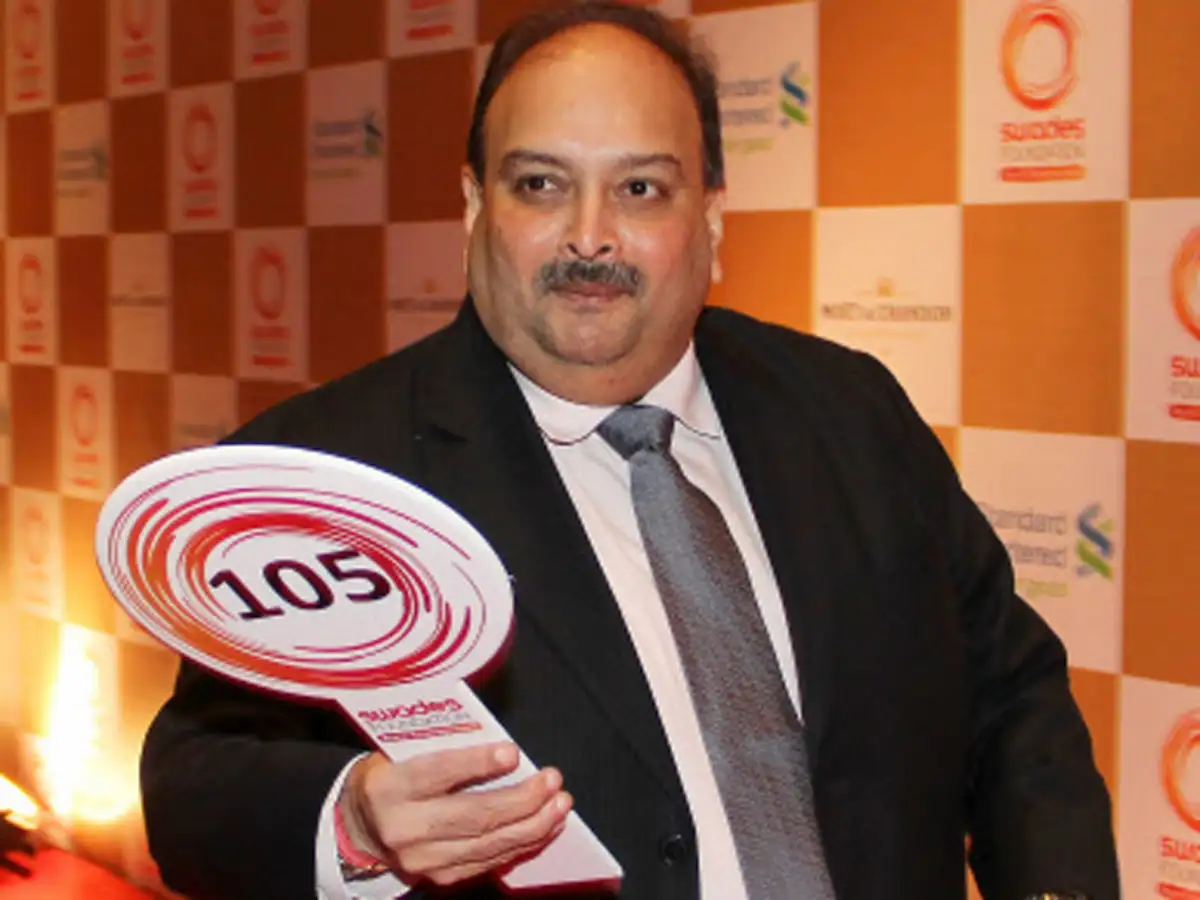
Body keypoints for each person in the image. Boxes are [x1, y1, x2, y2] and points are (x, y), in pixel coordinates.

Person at [137, 2, 1120, 899]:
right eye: (541, 185)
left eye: (641, 188)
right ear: (475, 206)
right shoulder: (332, 475)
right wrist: (353, 818)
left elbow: (1011, 694)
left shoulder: (850, 409)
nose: (590, 237)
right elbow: (195, 784)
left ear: (712, 215)